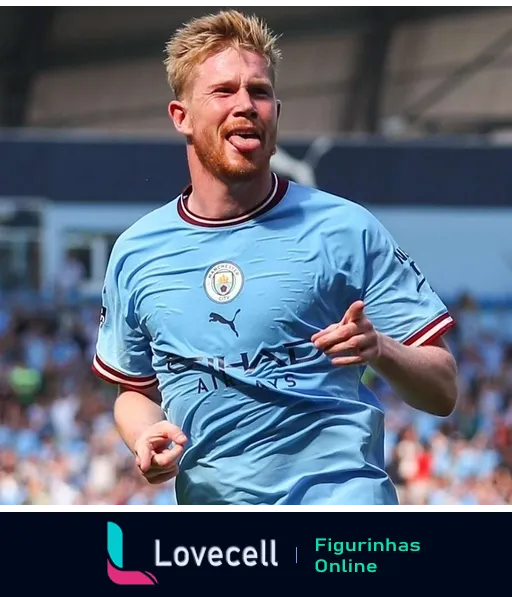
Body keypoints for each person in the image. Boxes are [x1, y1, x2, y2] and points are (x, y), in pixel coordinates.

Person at [91, 10, 458, 506]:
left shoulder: (345, 228)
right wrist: (144, 437)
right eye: (223, 92)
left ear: (276, 111)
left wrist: (381, 349)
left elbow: (443, 389)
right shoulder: (137, 251)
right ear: (181, 117)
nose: (245, 105)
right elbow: (134, 392)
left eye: (259, 92)